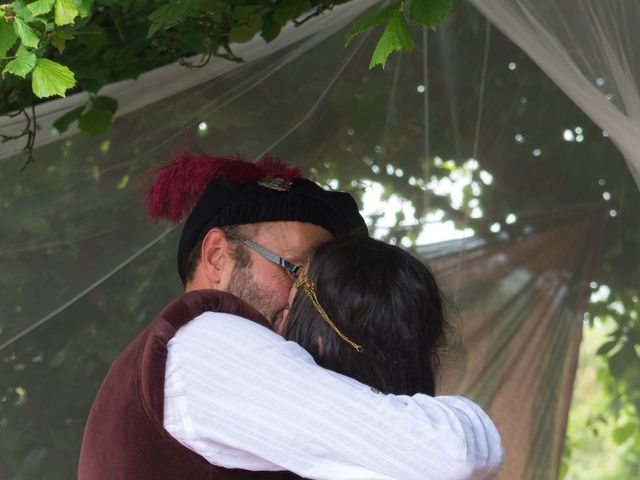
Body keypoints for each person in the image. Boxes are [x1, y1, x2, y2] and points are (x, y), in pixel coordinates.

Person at [78, 150, 503, 480]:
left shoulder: (175, 352)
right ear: (216, 256)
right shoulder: (212, 340)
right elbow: (448, 454)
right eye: (296, 269)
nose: (310, 294)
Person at [282, 235, 447, 398]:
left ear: (321, 343)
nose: (283, 315)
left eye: (289, 308)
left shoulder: (283, 413)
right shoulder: (439, 419)